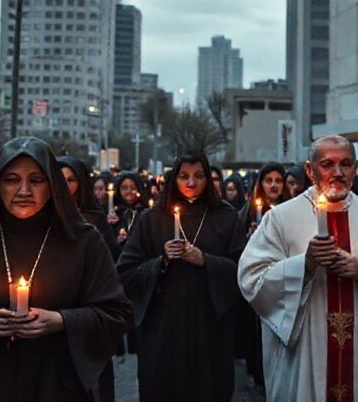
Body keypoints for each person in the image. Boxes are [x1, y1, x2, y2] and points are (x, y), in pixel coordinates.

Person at [0, 136, 131, 402]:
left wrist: (61, 321)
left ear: (52, 186)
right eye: (12, 180)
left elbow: (116, 314)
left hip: (58, 386)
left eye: (36, 180)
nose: (24, 190)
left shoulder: (83, 241)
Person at [238, 135, 358, 401]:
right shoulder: (280, 219)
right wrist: (303, 265)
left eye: (346, 164)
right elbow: (252, 278)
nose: (337, 173)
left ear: (356, 167)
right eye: (327, 164)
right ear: (309, 169)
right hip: (305, 349)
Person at [117, 152, 246, 402]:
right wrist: (161, 261)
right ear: (173, 179)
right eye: (184, 176)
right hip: (163, 327)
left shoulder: (226, 216)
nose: (190, 183)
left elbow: (245, 271)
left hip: (209, 327)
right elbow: (126, 273)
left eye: (198, 176)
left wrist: (206, 261)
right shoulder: (152, 219)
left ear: (208, 179)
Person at [58, 157, 121, 260]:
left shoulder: (95, 217)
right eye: (61, 180)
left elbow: (111, 255)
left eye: (70, 180)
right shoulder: (49, 214)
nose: (64, 185)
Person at [239, 163, 287, 236]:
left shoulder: (288, 207)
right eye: (268, 181)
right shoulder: (251, 208)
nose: (273, 185)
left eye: (278, 181)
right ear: (261, 184)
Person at [112, 172, 147, 246]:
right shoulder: (114, 213)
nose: (129, 191)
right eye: (124, 188)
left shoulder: (145, 213)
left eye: (133, 188)